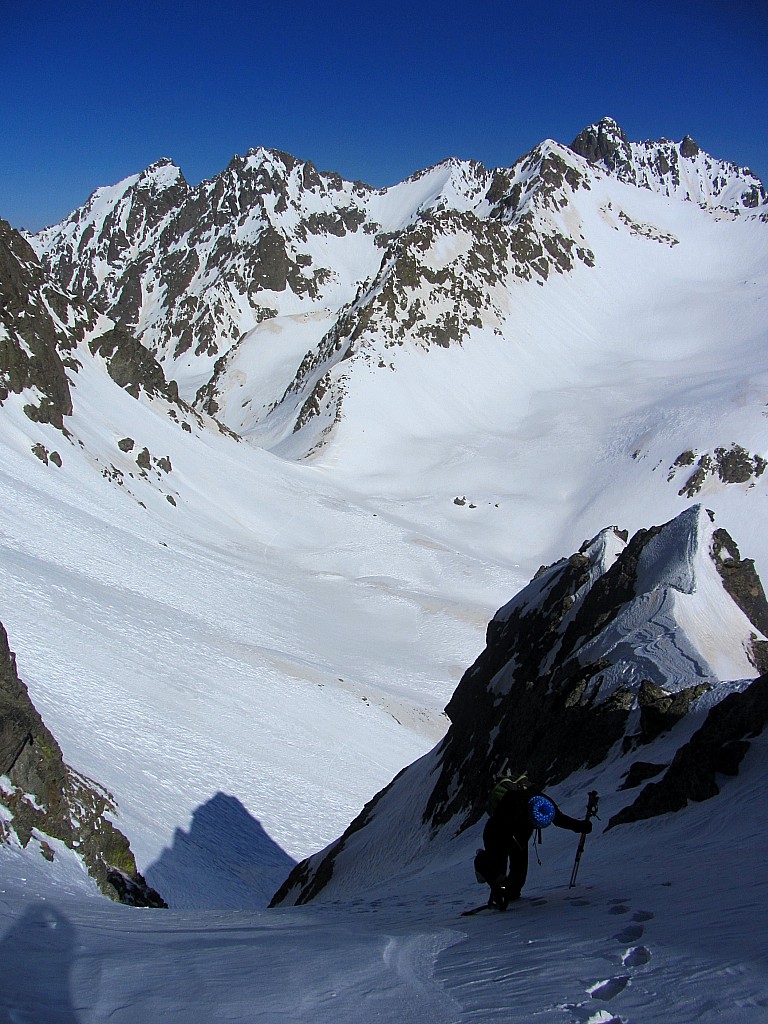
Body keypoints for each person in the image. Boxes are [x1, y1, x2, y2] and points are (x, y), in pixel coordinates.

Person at [477, 782, 592, 909]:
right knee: (499, 874)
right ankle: (485, 867)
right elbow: (500, 843)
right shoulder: (513, 812)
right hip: (498, 836)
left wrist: (580, 826)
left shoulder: (544, 805)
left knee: (517, 880)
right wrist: (499, 885)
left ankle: (506, 893)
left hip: (518, 838)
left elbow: (560, 819)